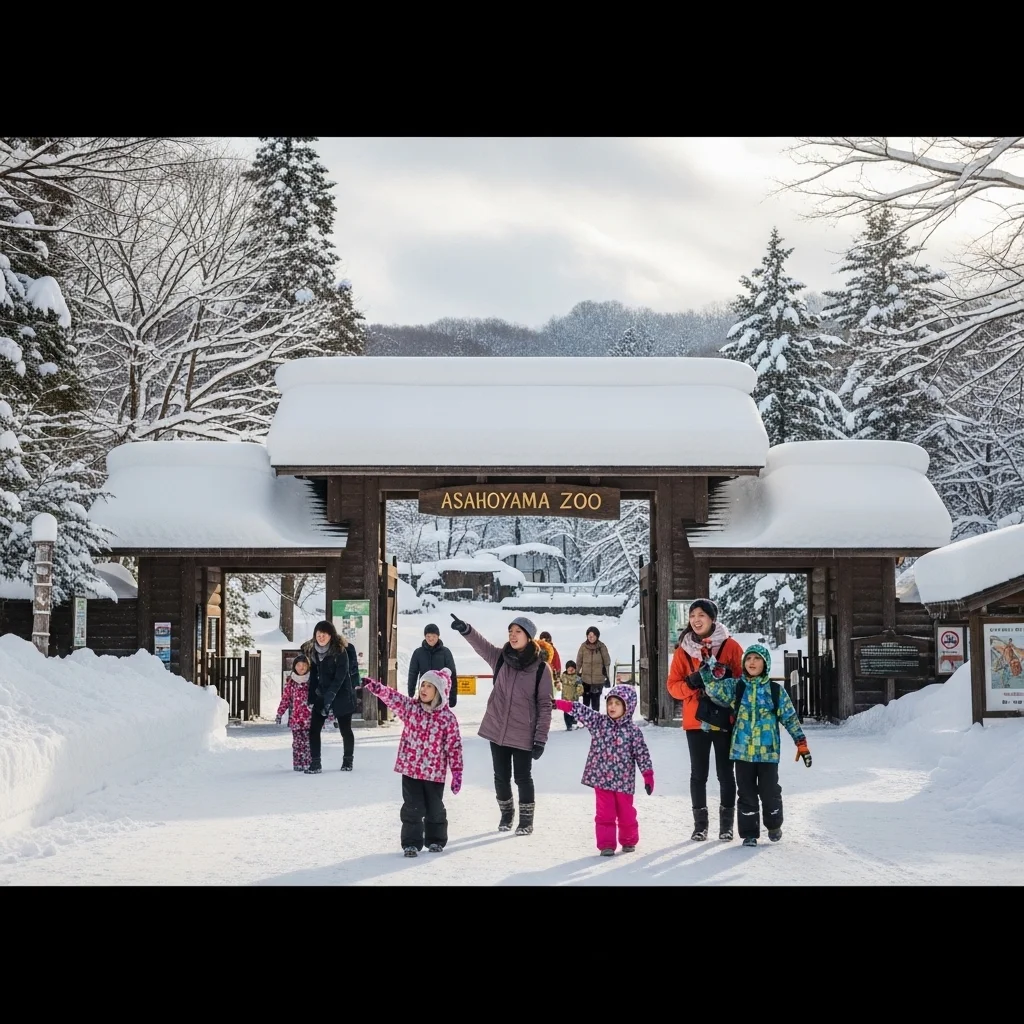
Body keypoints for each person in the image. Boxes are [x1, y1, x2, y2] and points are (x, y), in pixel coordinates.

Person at [698, 643, 812, 847]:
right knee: (746, 793)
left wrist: (801, 743)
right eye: (748, 658)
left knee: (770, 792)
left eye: (757, 658)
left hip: (768, 753)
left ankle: (774, 824)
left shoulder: (776, 691)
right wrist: (708, 666)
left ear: (765, 663)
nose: (752, 662)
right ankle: (749, 833)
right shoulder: (736, 687)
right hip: (742, 753)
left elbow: (790, 718)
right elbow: (713, 687)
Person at [450, 611, 553, 835]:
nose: (513, 636)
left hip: (523, 733)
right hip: (497, 729)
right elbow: (482, 645)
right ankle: (507, 814)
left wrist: (540, 739)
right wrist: (466, 629)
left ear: (529, 637)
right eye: (510, 632)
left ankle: (526, 821)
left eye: (518, 632)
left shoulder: (541, 669)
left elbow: (545, 705)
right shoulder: (500, 658)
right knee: (500, 777)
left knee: (523, 778)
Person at [362, 668, 464, 857]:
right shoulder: (411, 709)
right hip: (411, 770)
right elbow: (393, 698)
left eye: (429, 686)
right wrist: (377, 688)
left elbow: (454, 747)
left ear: (439, 691)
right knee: (412, 808)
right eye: (422, 685)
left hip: (435, 774)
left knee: (435, 809)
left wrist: (456, 772)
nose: (423, 689)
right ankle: (411, 843)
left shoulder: (447, 719)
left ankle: (435, 840)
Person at [666, 598, 745, 842]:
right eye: (692, 615)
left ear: (712, 618)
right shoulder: (683, 650)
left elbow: (744, 683)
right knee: (698, 774)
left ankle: (726, 826)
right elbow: (672, 687)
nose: (696, 620)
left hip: (724, 719)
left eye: (701, 615)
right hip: (695, 720)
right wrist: (691, 683)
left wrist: (726, 680)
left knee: (725, 773)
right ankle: (700, 826)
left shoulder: (731, 647)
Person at [553, 685, 654, 856]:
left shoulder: (633, 732)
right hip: (602, 779)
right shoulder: (599, 723)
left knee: (626, 813)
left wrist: (648, 776)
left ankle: (629, 840)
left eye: (617, 703)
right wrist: (557, 703)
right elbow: (580, 710)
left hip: (624, 782)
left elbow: (642, 754)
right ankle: (606, 844)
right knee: (605, 813)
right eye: (610, 703)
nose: (612, 707)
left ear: (627, 707)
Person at [302, 619, 359, 774]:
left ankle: (348, 760)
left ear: (331, 636)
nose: (321, 638)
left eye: (325, 635)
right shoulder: (313, 651)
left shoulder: (340, 651)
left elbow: (340, 677)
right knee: (314, 729)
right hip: (322, 693)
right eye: (319, 634)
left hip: (341, 693)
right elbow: (313, 676)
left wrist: (331, 696)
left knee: (345, 729)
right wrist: (311, 697)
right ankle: (315, 763)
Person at [275, 654, 313, 771]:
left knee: (308, 743)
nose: (301, 668)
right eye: (298, 665)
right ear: (294, 667)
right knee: (297, 743)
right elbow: (285, 699)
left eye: (304, 665)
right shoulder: (291, 682)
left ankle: (309, 763)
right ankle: (298, 764)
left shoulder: (312, 681)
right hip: (296, 719)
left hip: (310, 719)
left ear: (308, 667)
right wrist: (280, 713)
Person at [407, 623, 458, 708]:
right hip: (424, 693)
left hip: (440, 694)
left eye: (434, 636)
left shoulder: (445, 652)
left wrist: (453, 696)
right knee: (424, 717)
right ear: (425, 637)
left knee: (439, 718)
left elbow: (452, 674)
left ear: (438, 636)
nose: (431, 639)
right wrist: (410, 693)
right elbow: (413, 673)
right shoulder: (418, 653)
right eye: (428, 636)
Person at [576, 626, 611, 713]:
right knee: (586, 701)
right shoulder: (583, 646)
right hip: (585, 679)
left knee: (595, 702)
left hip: (598, 680)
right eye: (589, 635)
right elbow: (579, 661)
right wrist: (575, 674)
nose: (591, 638)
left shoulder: (602, 647)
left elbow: (607, 662)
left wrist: (606, 675)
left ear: (597, 636)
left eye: (593, 635)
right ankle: (585, 720)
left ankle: (596, 721)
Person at [559, 660, 582, 730]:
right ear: (566, 669)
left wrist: (579, 690)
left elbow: (580, 686)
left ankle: (572, 722)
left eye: (572, 669)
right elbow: (558, 682)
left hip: (573, 699)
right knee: (566, 713)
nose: (571, 670)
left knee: (573, 712)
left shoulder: (577, 678)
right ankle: (568, 725)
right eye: (569, 669)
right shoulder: (563, 676)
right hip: (565, 698)